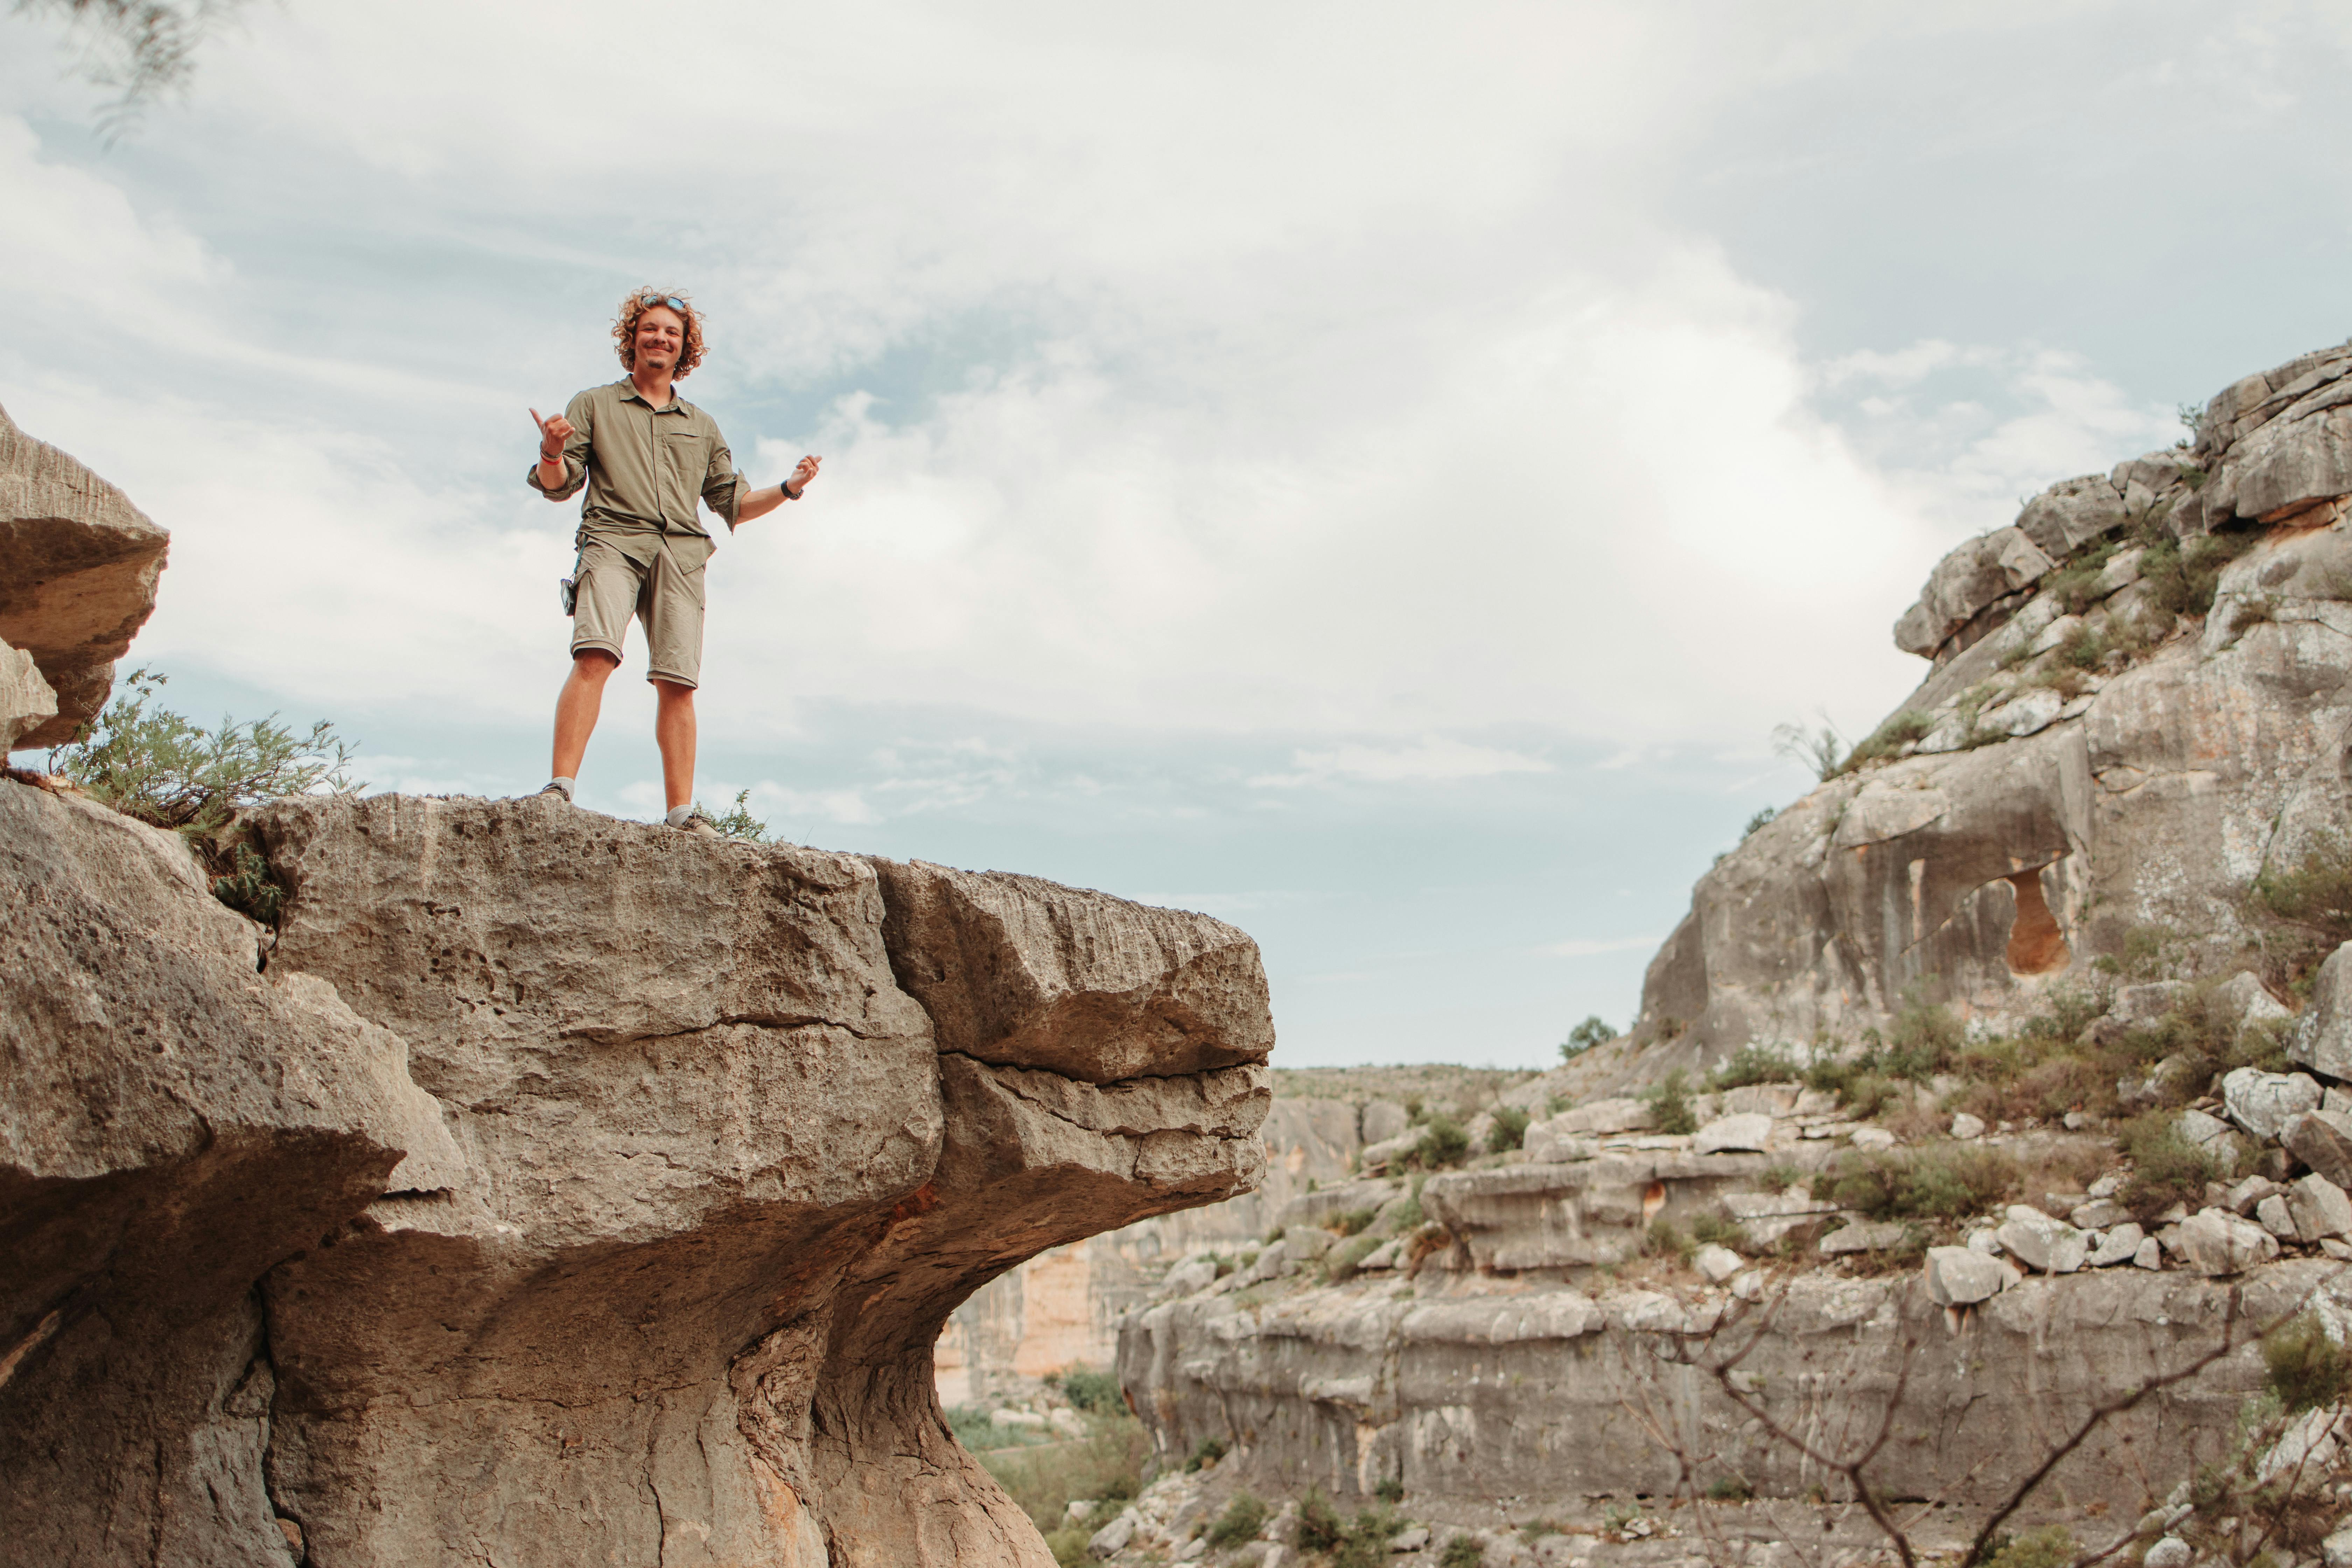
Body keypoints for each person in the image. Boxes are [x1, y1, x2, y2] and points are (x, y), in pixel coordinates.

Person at [527, 288, 819, 833]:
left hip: (681, 556)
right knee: (595, 655)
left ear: (685, 348)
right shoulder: (593, 404)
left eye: (671, 333)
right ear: (632, 339)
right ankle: (559, 790)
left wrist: (790, 487)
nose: (660, 338)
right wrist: (551, 450)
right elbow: (558, 485)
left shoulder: (703, 426)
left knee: (679, 683)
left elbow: (734, 504)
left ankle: (682, 814)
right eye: (650, 329)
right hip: (613, 540)